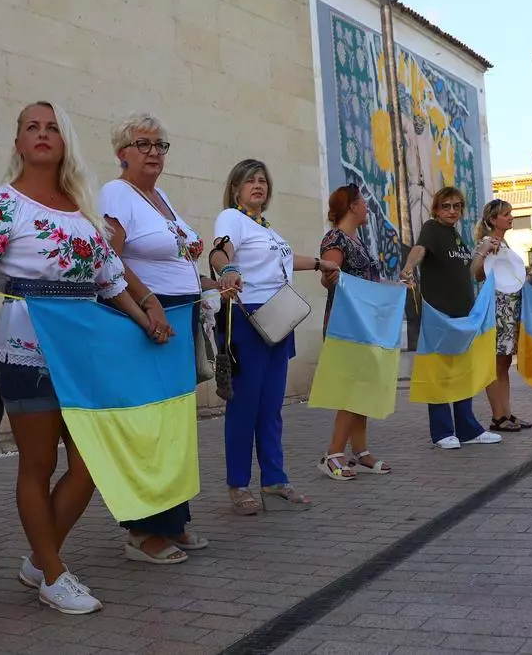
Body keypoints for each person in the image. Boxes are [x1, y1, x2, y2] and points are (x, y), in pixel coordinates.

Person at [0, 101, 164, 614]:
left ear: (64, 141)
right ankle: (54, 572)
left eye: (51, 128)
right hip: (27, 346)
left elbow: (109, 279)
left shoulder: (82, 206)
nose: (41, 135)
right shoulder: (1, 202)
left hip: (84, 347)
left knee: (91, 463)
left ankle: (41, 562)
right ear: (18, 141)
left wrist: (146, 316)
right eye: (31, 128)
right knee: (38, 464)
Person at [96, 112, 220, 563]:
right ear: (122, 152)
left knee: (175, 426)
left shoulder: (159, 195)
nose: (153, 152)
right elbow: (107, 259)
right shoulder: (117, 193)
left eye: (160, 145)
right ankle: (141, 532)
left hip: (181, 315)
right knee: (151, 425)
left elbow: (176, 254)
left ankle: (174, 521)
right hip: (152, 322)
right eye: (143, 144)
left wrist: (208, 281)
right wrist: (147, 303)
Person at [208, 159, 339, 514]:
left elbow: (283, 259)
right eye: (250, 180)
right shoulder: (232, 218)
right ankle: (238, 484)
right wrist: (229, 268)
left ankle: (274, 479)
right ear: (236, 188)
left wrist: (318, 263)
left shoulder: (266, 228)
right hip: (249, 319)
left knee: (270, 408)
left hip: (280, 319)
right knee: (244, 407)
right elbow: (220, 250)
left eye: (263, 180)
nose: (258, 185)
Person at [400, 187, 504, 447]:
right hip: (439, 316)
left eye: (457, 206)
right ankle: (443, 432)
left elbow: (471, 273)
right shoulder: (432, 229)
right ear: (436, 209)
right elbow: (420, 249)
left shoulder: (455, 236)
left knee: (461, 372)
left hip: (462, 317)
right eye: (446, 206)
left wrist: (483, 251)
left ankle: (467, 430)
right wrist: (409, 266)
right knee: (438, 372)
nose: (452, 211)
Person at [315, 184, 392, 480]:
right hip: (345, 325)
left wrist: (394, 285)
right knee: (351, 389)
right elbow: (329, 277)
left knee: (362, 388)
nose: (367, 207)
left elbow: (367, 279)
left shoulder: (355, 240)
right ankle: (333, 454)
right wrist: (331, 278)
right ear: (351, 206)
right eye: (362, 202)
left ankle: (360, 452)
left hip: (365, 323)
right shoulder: (335, 238)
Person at [470, 198, 532, 432]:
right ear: (493, 219)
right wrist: (484, 253)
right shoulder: (489, 241)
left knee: (505, 363)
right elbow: (475, 273)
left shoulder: (503, 243)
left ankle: (506, 413)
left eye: (510, 213)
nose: (511, 217)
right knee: (497, 363)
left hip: (510, 308)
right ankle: (498, 416)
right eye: (506, 214)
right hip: (499, 308)